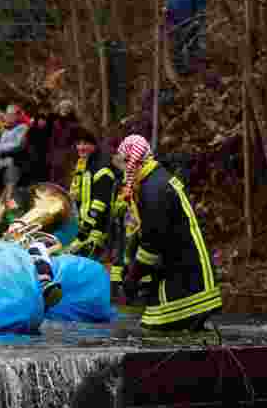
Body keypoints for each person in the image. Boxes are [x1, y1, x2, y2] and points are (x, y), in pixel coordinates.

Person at [116, 135, 221, 331]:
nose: (123, 171)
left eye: (124, 163)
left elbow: (152, 242)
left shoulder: (154, 188)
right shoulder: (154, 180)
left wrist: (133, 277)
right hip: (182, 270)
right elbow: (148, 232)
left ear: (134, 162)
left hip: (187, 278)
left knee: (155, 333)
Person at [67, 127, 117, 259]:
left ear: (94, 145)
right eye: (78, 143)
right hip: (84, 227)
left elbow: (100, 204)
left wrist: (85, 230)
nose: (81, 147)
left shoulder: (102, 167)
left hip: (97, 229)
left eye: (85, 144)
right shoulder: (83, 164)